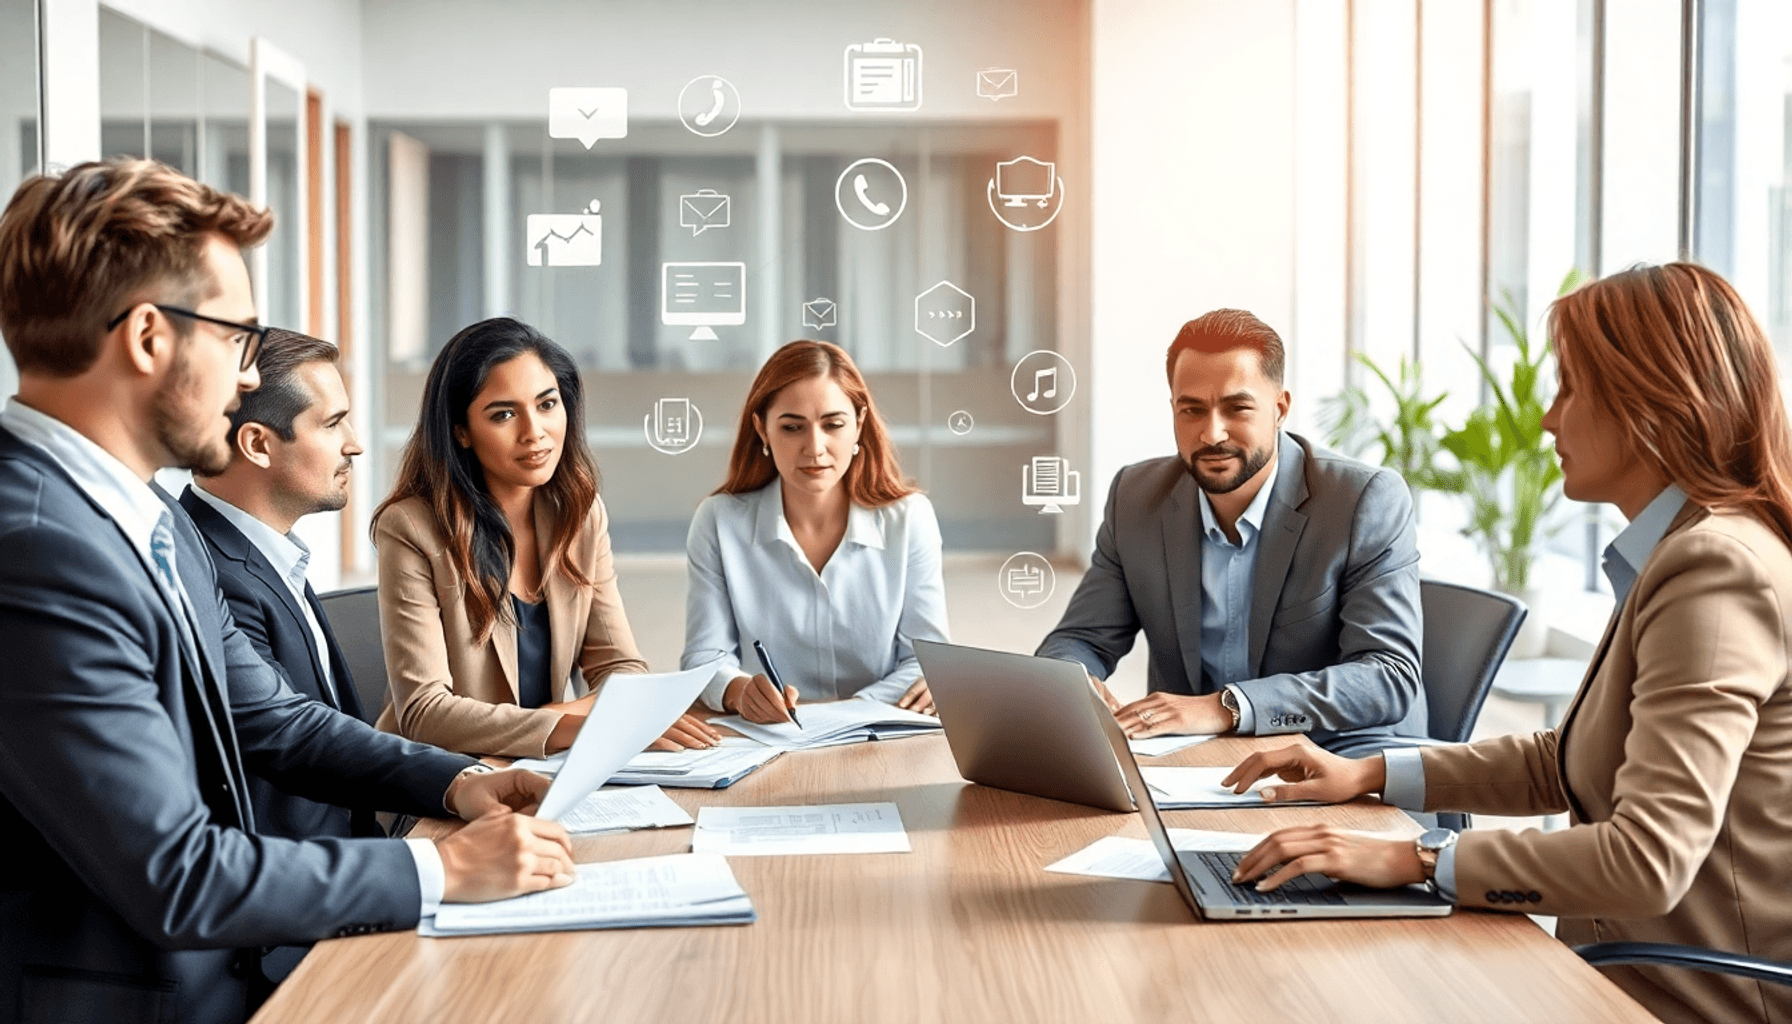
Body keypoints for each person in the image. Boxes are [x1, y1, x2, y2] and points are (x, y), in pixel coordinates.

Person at [0, 159, 574, 1024]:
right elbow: (176, 874)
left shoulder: (146, 514)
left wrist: (463, 784)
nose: (243, 379)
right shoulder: (37, 543)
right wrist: (442, 868)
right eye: (236, 338)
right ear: (150, 337)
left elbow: (271, 717)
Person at [1224, 263, 1792, 1024]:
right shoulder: (1683, 551)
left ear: (1648, 402)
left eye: (1568, 390)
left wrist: (1415, 858)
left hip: (1671, 999)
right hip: (1608, 971)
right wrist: (1367, 775)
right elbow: (1566, 761)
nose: (1548, 420)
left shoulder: (1715, 567)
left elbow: (1646, 861)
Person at [1036, 309, 1426, 756]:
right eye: (1192, 410)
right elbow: (1081, 638)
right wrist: (1075, 686)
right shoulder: (1136, 497)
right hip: (1196, 757)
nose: (1212, 433)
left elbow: (1388, 676)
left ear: (1280, 409)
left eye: (1237, 408)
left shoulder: (1363, 500)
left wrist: (1229, 706)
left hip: (1341, 752)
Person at [374, 316, 716, 757]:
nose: (534, 432)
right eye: (503, 414)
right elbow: (426, 713)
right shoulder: (410, 528)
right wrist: (582, 724)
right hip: (442, 782)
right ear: (461, 431)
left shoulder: (579, 513)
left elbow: (622, 667)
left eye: (547, 404)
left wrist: (563, 715)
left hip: (550, 767)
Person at [682, 340, 949, 723]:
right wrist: (738, 691)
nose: (815, 448)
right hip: (772, 736)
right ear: (762, 429)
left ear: (859, 423)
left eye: (833, 425)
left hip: (880, 736)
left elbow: (928, 666)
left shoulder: (910, 519)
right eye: (792, 427)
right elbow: (704, 660)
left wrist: (835, 716)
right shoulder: (718, 522)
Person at [180, 330, 372, 843]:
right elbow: (291, 754)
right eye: (333, 423)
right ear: (258, 445)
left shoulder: (271, 554)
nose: (354, 443)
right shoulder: (211, 571)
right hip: (310, 886)